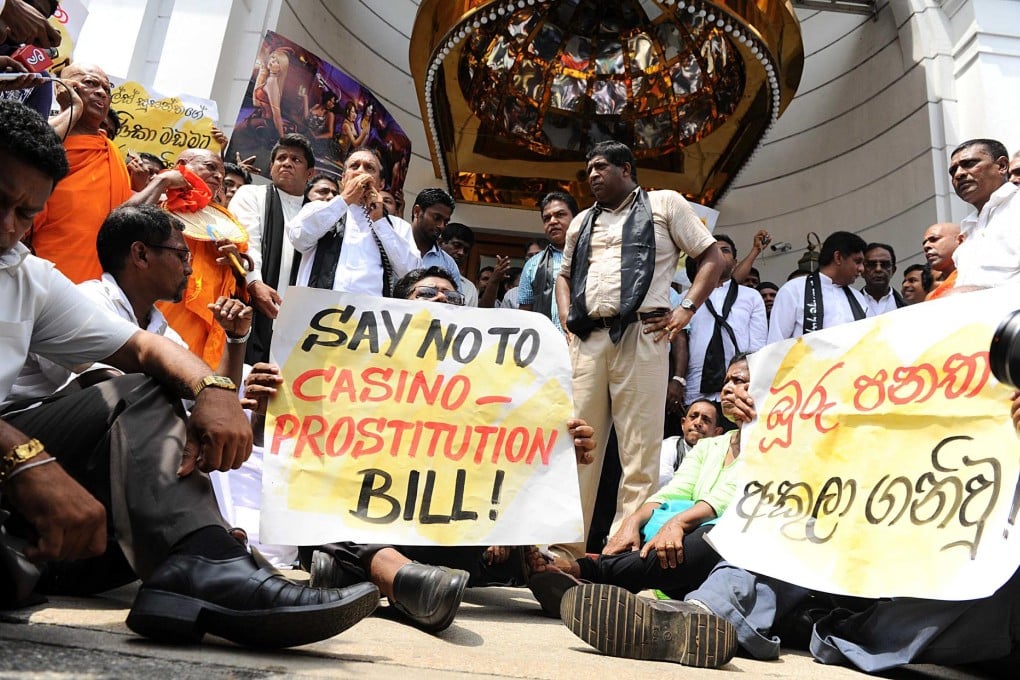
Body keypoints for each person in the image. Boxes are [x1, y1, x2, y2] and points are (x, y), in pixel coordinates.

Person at [0, 100, 378, 647]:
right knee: (132, 394)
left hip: (46, 499)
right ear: (140, 255)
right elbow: (120, 386)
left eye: (26, 214)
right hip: (22, 468)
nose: (9, 228)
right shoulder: (92, 293)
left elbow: (147, 349)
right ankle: (206, 563)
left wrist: (214, 389)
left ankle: (200, 563)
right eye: (1, 203)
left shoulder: (26, 275)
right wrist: (25, 459)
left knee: (166, 409)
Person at [562, 392, 1020, 674]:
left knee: (979, 587)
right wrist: (768, 415)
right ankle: (703, 617)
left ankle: (598, 575)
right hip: (875, 570)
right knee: (795, 514)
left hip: (974, 598)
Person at [245, 266, 596, 632]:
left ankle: (524, 568)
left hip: (453, 537)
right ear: (397, 308)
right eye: (427, 293)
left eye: (453, 296)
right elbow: (285, 453)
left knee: (499, 550)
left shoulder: (493, 383)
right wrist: (270, 410)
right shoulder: (350, 368)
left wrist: (559, 454)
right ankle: (398, 575)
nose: (442, 298)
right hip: (367, 531)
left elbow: (510, 461)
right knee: (324, 525)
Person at [554, 140, 725, 557]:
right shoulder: (581, 222)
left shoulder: (665, 203)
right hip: (589, 338)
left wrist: (686, 309)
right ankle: (561, 550)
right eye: (588, 169)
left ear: (626, 169)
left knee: (639, 450)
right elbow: (564, 276)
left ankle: (621, 552)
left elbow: (712, 257)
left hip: (644, 333)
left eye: (600, 167)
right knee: (576, 443)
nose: (592, 175)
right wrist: (566, 320)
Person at [541, 357, 751, 618]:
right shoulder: (710, 446)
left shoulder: (772, 447)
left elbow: (728, 497)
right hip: (677, 559)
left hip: (717, 556)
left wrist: (679, 523)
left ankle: (588, 573)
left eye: (739, 381)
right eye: (726, 381)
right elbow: (674, 491)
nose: (727, 388)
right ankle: (604, 587)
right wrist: (632, 521)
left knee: (716, 535)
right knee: (642, 525)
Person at [28, 63, 183, 283]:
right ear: (61, 87)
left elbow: (121, 217)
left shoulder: (110, 152)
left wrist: (160, 181)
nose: (101, 92)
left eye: (107, 89)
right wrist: (73, 109)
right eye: (90, 83)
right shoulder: (45, 137)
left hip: (96, 284)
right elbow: (28, 155)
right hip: (40, 273)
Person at [156, 148, 250, 370]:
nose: (218, 176)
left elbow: (238, 284)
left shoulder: (226, 222)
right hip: (164, 305)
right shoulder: (157, 203)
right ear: (182, 164)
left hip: (209, 313)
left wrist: (236, 263)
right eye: (210, 167)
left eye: (221, 174)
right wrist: (161, 183)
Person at [228, 133, 314, 363]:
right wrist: (254, 283)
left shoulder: (316, 213)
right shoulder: (251, 194)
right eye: (281, 158)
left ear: (310, 173)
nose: (287, 163)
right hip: (252, 305)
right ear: (271, 166)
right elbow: (246, 242)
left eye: (296, 160)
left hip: (299, 320)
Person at [288, 147, 418, 295]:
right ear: (344, 179)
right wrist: (345, 199)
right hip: (317, 306)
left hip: (369, 309)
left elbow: (411, 273)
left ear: (381, 184)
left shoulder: (397, 226)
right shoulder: (317, 208)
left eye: (369, 168)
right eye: (354, 166)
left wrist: (379, 221)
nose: (360, 172)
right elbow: (298, 238)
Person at [676, 235, 767, 409]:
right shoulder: (684, 299)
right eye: (713, 251)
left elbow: (757, 346)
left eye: (725, 250)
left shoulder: (751, 296)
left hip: (741, 390)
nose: (719, 254)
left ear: (735, 262)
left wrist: (752, 384)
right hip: (695, 390)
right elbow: (679, 345)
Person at [767, 231, 872, 342]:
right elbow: (775, 344)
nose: (861, 269)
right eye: (857, 262)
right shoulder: (794, 290)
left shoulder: (858, 298)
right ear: (838, 257)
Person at [947, 139, 1020, 290]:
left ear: (1002, 166)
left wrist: (982, 295)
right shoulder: (968, 228)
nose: (958, 174)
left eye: (969, 164)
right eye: (953, 171)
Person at [520, 192, 578, 332]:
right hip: (547, 342)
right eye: (547, 218)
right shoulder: (533, 264)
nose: (552, 221)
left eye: (560, 215)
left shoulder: (593, 254)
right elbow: (524, 313)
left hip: (590, 341)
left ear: (576, 218)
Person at [658, 398, 723, 489]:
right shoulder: (668, 447)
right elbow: (662, 482)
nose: (698, 423)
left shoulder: (722, 455)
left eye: (706, 420)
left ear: (717, 432)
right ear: (683, 423)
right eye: (693, 417)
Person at [411, 188, 462, 291]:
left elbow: (455, 300)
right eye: (437, 218)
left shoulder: (449, 265)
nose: (441, 226)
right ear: (417, 212)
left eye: (446, 222)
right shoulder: (394, 246)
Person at [439, 222, 479, 305]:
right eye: (457, 245)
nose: (461, 253)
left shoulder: (469, 288)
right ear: (441, 243)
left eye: (466, 250)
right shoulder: (421, 269)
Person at [859, 242, 905, 313]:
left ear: (893, 270)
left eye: (885, 264)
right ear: (862, 270)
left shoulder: (907, 306)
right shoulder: (849, 305)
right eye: (871, 264)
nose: (878, 269)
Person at [922, 222, 964, 300]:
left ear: (960, 240)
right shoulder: (932, 297)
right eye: (924, 243)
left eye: (934, 239)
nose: (926, 246)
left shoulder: (980, 276)